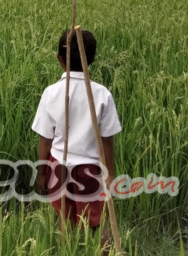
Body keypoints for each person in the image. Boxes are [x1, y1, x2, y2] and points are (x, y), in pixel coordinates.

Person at [32, 29, 121, 240]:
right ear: (92, 59)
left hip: (58, 165)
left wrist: (42, 173)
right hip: (90, 169)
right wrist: (109, 174)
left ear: (59, 58)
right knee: (97, 222)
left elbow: (45, 139)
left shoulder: (51, 93)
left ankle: (67, 250)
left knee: (64, 217)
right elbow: (107, 140)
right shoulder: (102, 94)